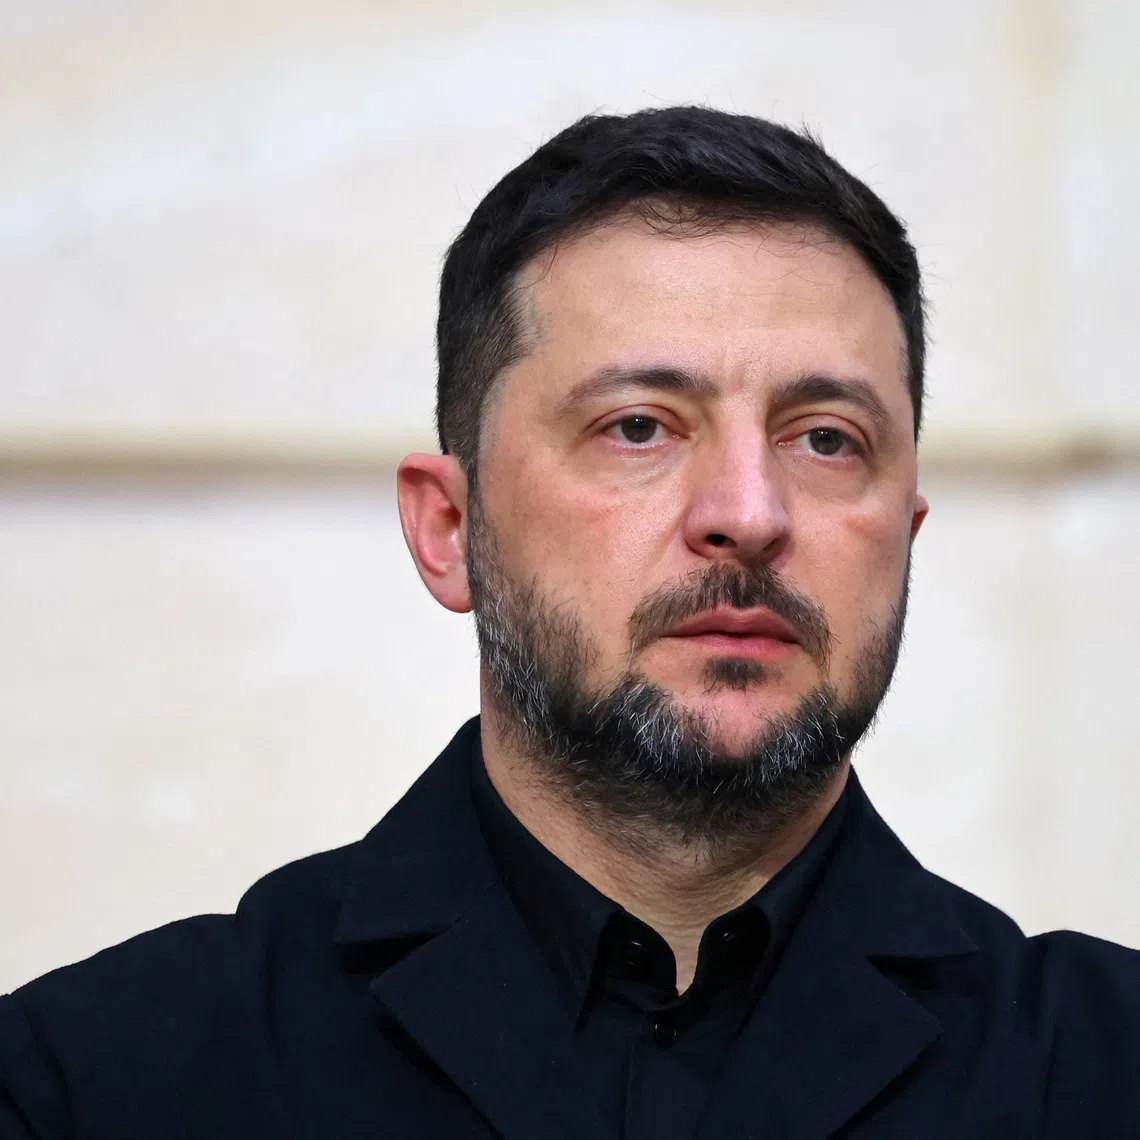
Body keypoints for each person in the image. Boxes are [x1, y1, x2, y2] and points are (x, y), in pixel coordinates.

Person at [2, 106, 1138, 1140]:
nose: (749, 514)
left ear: (906, 533)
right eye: (639, 426)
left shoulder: (1105, 1076)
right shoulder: (102, 1085)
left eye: (826, 438)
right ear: (449, 528)